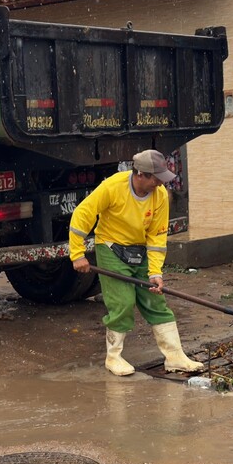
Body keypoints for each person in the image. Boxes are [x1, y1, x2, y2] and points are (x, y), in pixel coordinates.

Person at [69, 149, 203, 377]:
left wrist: (155, 273)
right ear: (140, 174)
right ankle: (113, 357)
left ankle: (175, 356)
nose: (160, 184)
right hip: (111, 247)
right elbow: (83, 214)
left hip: (140, 249)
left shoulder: (160, 195)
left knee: (155, 300)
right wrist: (77, 254)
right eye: (156, 179)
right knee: (122, 302)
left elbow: (157, 237)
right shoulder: (113, 187)